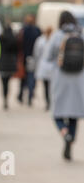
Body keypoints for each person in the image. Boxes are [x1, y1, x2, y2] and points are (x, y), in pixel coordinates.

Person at [46, 11, 84, 161]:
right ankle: (71, 139)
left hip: (60, 78)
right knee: (73, 114)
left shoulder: (57, 35)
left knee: (57, 113)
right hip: (78, 80)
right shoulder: (81, 34)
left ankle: (64, 132)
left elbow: (48, 57)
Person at [17, 14, 41, 106]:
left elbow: (19, 44)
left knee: (24, 77)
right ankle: (30, 96)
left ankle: (21, 95)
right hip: (34, 57)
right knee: (31, 77)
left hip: (25, 56)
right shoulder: (37, 30)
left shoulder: (24, 30)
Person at [0, 25, 18, 110]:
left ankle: (5, 98)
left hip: (2, 63)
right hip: (11, 64)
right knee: (8, 83)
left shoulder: (0, 39)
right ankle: (7, 97)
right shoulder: (14, 39)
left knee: (3, 83)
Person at [33, 27, 54, 111]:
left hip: (44, 65)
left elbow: (36, 53)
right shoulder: (54, 40)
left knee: (46, 87)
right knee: (51, 87)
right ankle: (50, 102)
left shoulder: (40, 40)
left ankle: (48, 102)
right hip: (52, 67)